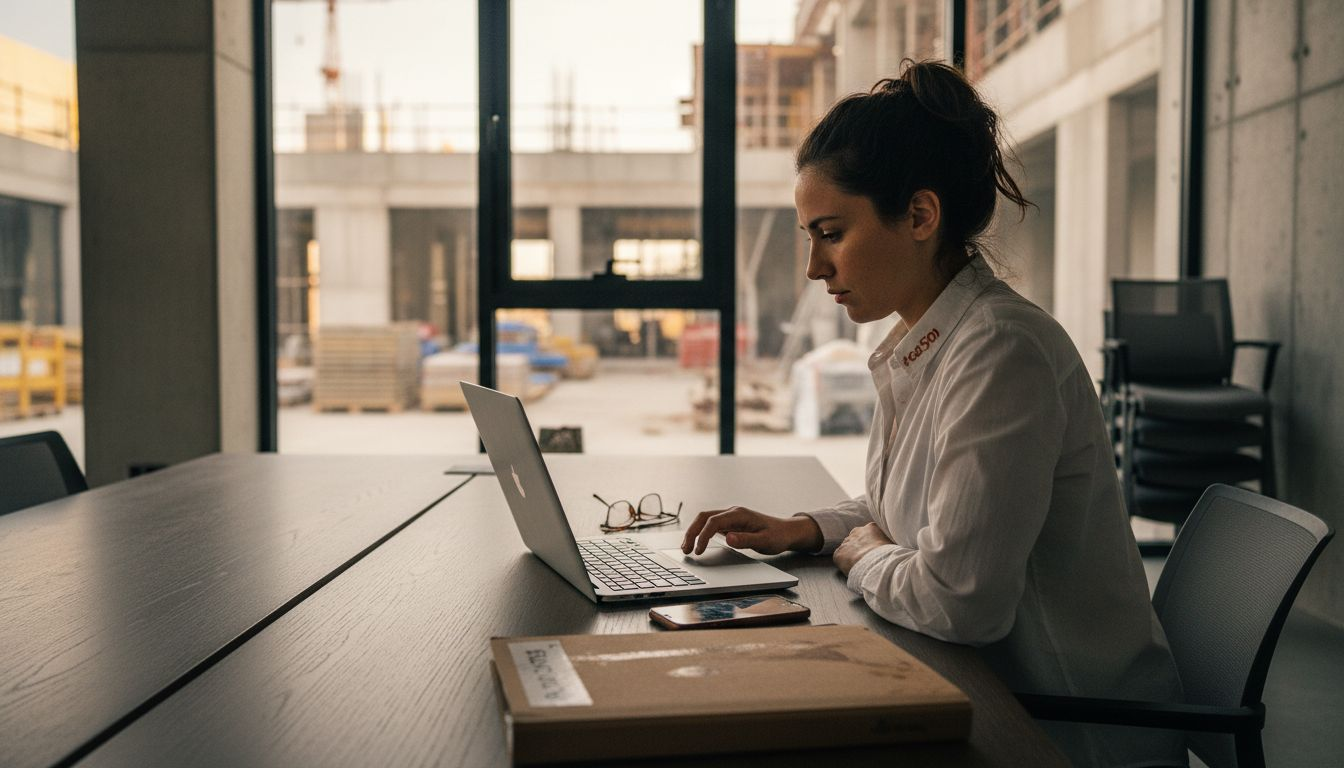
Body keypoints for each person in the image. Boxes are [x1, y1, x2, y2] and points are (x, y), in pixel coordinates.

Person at [681, 60, 1185, 768]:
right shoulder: (934, 341)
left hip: (1066, 731)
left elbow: (960, 602)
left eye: (830, 232)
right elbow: (908, 508)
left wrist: (861, 555)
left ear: (920, 216)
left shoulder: (1001, 353)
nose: (813, 268)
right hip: (996, 691)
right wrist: (808, 529)